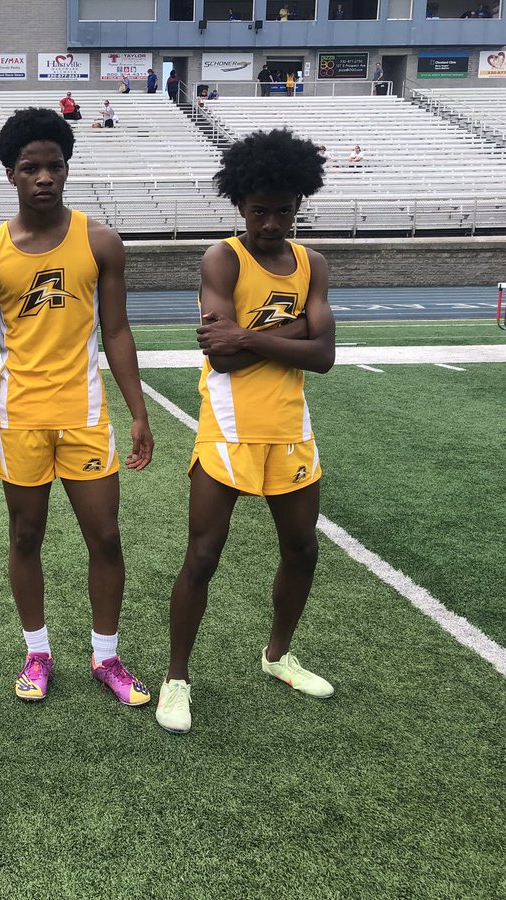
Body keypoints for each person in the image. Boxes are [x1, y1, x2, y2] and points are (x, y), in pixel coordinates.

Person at [0, 108, 155, 707]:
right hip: (20, 419)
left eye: (54, 166)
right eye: (30, 168)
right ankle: (37, 651)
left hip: (87, 416)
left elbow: (117, 332)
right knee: (26, 537)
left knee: (106, 538)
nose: (43, 177)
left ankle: (106, 656)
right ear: (10, 175)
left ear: (67, 170)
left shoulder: (100, 241)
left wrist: (138, 411)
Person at [154, 129, 335, 735]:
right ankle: (176, 678)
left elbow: (326, 354)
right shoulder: (222, 258)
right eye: (260, 209)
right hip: (229, 428)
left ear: (298, 204)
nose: (272, 222)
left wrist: (249, 337)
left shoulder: (313, 264)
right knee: (203, 556)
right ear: (241, 205)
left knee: (302, 548)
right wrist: (289, 342)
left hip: (290, 429)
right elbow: (222, 358)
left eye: (284, 209)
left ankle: (278, 655)